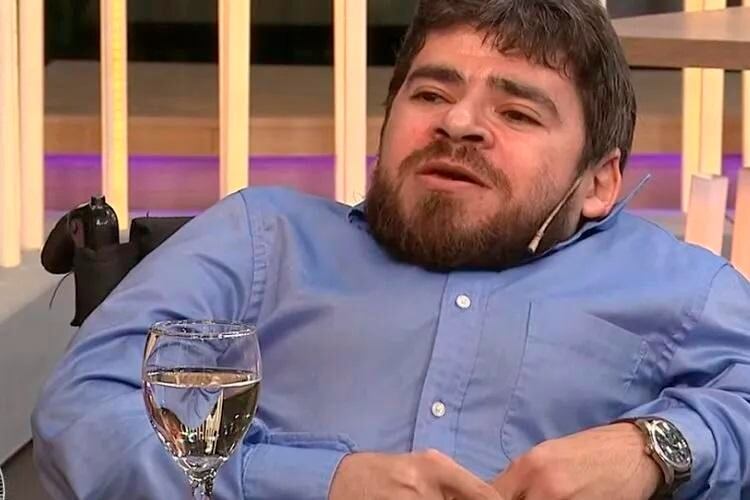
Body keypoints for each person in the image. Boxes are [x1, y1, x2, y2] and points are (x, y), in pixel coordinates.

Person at [32, 0, 750, 498]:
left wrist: (656, 447)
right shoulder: (261, 239)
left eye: (517, 111)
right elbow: (84, 413)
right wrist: (322, 485)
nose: (458, 124)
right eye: (430, 95)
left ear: (598, 182)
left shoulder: (682, 289)